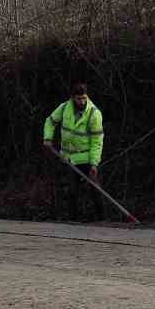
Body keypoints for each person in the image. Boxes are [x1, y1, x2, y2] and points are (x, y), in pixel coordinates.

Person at [43, 82, 105, 220]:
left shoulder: (94, 114)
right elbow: (50, 121)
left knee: (95, 189)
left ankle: (102, 219)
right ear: (72, 98)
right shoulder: (64, 108)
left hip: (87, 158)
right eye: (79, 98)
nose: (82, 101)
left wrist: (94, 163)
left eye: (84, 98)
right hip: (69, 158)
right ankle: (74, 220)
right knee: (72, 191)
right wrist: (48, 138)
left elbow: (97, 141)